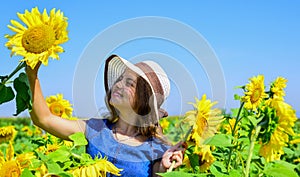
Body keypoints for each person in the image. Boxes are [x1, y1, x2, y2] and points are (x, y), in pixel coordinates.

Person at [26, 54, 184, 177]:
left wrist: (164, 167)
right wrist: (32, 75)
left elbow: (158, 174)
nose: (119, 84)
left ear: (144, 100)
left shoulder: (156, 147)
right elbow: (44, 119)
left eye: (129, 83)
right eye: (120, 79)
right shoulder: (95, 129)